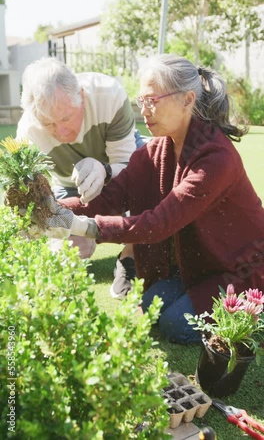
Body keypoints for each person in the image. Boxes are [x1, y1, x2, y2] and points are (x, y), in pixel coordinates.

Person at [30, 54, 264, 344]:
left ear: (188, 99)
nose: (144, 111)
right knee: (152, 307)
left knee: (175, 325)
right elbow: (110, 198)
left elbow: (158, 224)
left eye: (152, 100)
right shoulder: (155, 151)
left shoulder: (216, 158)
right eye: (141, 101)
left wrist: (80, 225)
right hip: (199, 264)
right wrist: (45, 211)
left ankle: (254, 305)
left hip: (241, 268)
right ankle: (194, 287)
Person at [16, 56, 147, 297]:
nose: (61, 132)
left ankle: (130, 255)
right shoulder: (27, 131)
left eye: (66, 118)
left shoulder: (109, 95)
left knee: (149, 177)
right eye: (49, 124)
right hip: (70, 185)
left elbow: (127, 168)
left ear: (82, 97)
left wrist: (103, 169)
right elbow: (27, 197)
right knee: (68, 253)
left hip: (121, 166)